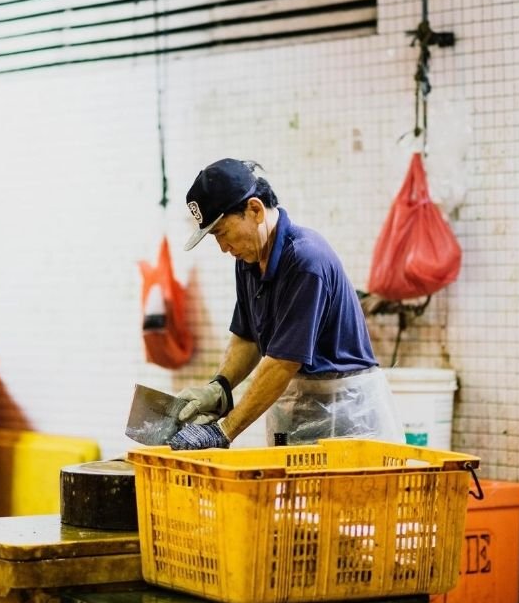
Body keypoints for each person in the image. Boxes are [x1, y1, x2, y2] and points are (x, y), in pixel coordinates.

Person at [168, 158, 404, 451]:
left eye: (222, 233)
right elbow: (247, 337)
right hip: (297, 412)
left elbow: (282, 363)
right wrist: (221, 387)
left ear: (254, 210)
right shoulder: (249, 259)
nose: (223, 248)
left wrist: (224, 430)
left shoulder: (307, 261)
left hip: (347, 423)